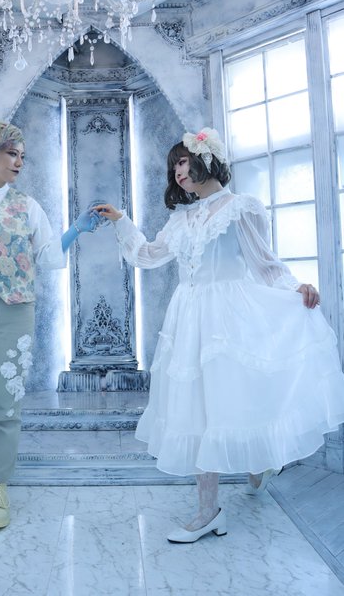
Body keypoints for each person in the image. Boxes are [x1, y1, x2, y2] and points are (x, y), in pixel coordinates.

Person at [96, 127, 344, 543]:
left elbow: (265, 266)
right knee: (196, 410)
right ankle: (208, 510)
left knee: (239, 397)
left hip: (229, 316)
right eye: (173, 166)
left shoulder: (240, 208)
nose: (178, 172)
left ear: (205, 159)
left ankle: (259, 462)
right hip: (188, 319)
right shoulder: (182, 218)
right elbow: (148, 255)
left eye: (182, 161)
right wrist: (121, 221)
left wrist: (295, 287)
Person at [0, 121, 100, 530]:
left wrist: (77, 229)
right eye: (12, 154)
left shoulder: (28, 206)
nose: (19, 162)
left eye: (23, 155)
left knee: (7, 404)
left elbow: (47, 255)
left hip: (15, 310)